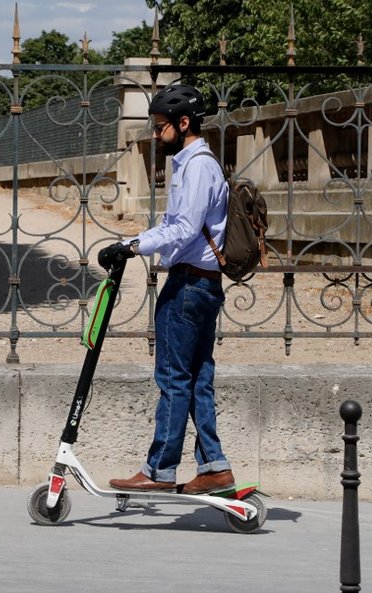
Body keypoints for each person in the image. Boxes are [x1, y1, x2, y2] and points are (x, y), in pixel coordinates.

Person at [97, 84, 235, 495]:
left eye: (160, 128)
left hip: (189, 285)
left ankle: (160, 469)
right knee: (197, 378)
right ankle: (214, 466)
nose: (156, 136)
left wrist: (133, 247)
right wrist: (131, 242)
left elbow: (184, 228)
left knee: (174, 378)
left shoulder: (197, 167)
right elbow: (175, 225)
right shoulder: (198, 164)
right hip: (202, 284)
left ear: (183, 123)